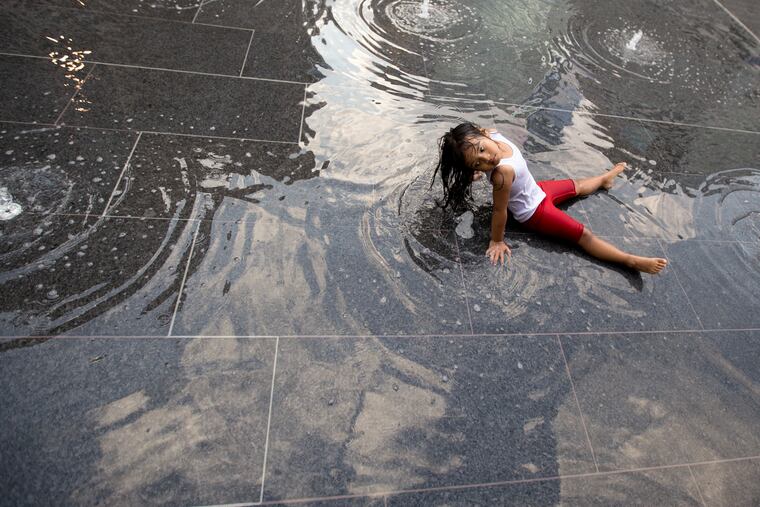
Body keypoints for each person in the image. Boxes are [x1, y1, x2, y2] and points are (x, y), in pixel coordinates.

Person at [431, 122, 668, 274]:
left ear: (483, 133)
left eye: (482, 150)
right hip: (533, 211)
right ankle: (630, 261)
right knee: (583, 235)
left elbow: (477, 150)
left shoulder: (494, 133)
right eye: (478, 164)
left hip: (537, 189)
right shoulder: (502, 173)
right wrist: (496, 241)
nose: (486, 160)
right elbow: (500, 211)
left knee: (578, 185)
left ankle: (605, 178)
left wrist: (473, 169)